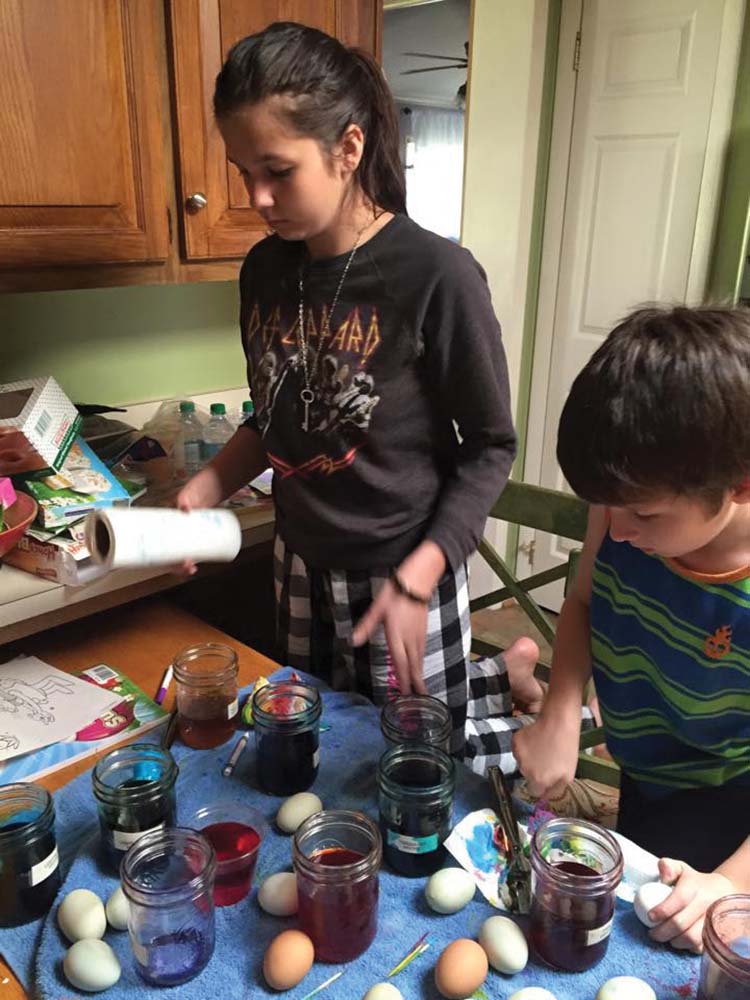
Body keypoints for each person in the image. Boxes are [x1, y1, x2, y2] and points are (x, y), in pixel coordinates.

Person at [176, 20, 540, 764]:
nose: (256, 196)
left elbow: (492, 448)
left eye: (277, 170)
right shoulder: (265, 272)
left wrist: (423, 572)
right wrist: (208, 483)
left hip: (406, 572)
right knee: (322, 752)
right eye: (244, 170)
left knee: (414, 760)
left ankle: (508, 684)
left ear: (348, 149)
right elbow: (276, 415)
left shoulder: (437, 276)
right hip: (299, 565)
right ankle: (506, 675)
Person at [513, 305, 750, 953]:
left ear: (739, 487)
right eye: (606, 507)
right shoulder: (623, 509)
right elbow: (585, 602)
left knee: (677, 935)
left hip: (726, 809)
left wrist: (725, 885)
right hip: (645, 770)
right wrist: (562, 711)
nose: (615, 531)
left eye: (642, 513)